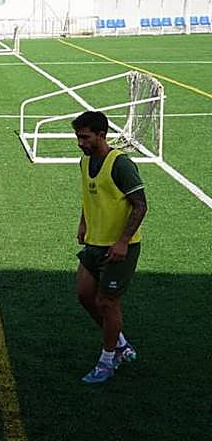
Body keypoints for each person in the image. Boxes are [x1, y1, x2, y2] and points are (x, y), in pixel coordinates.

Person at [71, 110, 147, 384]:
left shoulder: (121, 164)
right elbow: (89, 193)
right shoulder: (84, 161)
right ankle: (121, 344)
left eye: (84, 137)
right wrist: (83, 223)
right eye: (78, 137)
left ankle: (106, 361)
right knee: (84, 295)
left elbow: (140, 205)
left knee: (107, 302)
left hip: (118, 249)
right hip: (94, 242)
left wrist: (124, 241)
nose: (80, 142)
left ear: (101, 135)